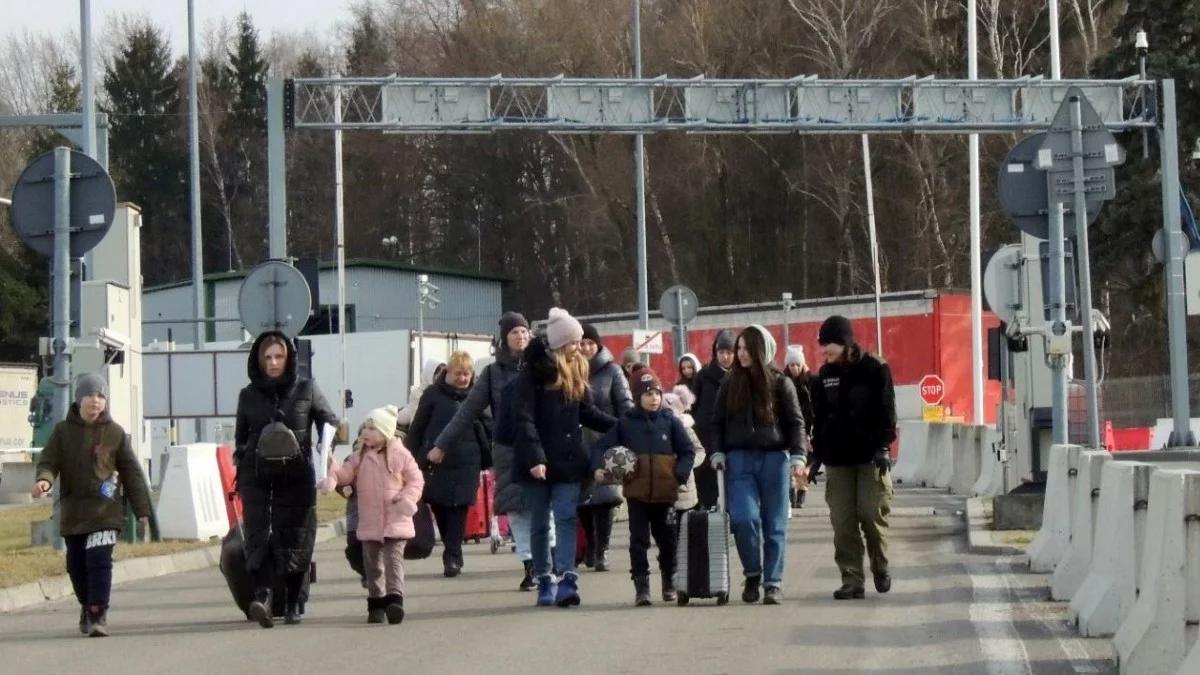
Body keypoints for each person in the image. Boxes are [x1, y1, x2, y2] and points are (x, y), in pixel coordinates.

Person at [31, 373, 152, 637]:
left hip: (106, 511)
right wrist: (44, 481)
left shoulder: (115, 433)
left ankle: (98, 614)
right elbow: (48, 463)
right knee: (76, 566)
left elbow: (131, 473)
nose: (95, 401)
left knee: (99, 561)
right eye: (89, 395)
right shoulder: (62, 432)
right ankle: (86, 605)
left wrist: (142, 510)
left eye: (100, 396)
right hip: (74, 512)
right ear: (78, 400)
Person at [233, 330, 339, 628]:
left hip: (297, 476)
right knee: (259, 535)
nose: (273, 362)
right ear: (258, 360)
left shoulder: (307, 388)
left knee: (296, 538)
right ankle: (263, 597)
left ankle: (294, 601)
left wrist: (324, 448)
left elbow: (329, 419)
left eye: (279, 356)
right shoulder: (248, 395)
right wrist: (243, 467)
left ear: (289, 357)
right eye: (267, 357)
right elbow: (241, 437)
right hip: (258, 478)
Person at [513, 308, 616, 608]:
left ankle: (568, 578)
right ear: (560, 344)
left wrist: (621, 425)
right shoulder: (532, 372)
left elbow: (587, 413)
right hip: (537, 463)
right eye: (575, 342)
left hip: (569, 461)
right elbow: (524, 418)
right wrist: (535, 457)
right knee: (540, 524)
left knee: (567, 517)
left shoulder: (577, 369)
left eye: (582, 342)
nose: (580, 347)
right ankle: (545, 579)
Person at [429, 312, 539, 590]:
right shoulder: (492, 374)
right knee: (516, 511)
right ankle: (531, 566)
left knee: (542, 508)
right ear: (504, 338)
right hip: (508, 449)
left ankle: (547, 561)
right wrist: (441, 444)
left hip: (542, 446)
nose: (520, 336)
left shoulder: (543, 366)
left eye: (524, 332)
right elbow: (466, 412)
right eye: (514, 332)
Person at [710, 325, 807, 605]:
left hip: (775, 459)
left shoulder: (780, 382)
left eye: (746, 348)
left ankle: (773, 582)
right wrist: (717, 452)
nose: (740, 354)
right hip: (738, 460)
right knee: (744, 519)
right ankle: (753, 572)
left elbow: (795, 421)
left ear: (761, 350)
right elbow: (716, 423)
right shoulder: (729, 383)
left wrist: (798, 455)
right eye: (738, 348)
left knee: (775, 524)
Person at [811, 316, 897, 600]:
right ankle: (851, 579)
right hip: (838, 459)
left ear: (845, 342)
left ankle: (880, 566)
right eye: (823, 348)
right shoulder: (824, 376)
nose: (825, 353)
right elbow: (820, 418)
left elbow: (887, 411)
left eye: (829, 346)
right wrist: (817, 456)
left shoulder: (875, 369)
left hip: (870, 456)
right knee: (843, 521)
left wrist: (884, 446)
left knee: (871, 514)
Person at [591, 370, 695, 606]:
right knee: (638, 542)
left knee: (667, 540)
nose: (654, 398)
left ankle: (669, 582)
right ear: (638, 397)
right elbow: (600, 447)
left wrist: (679, 475)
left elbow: (688, 451)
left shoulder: (670, 422)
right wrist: (597, 467)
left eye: (657, 393)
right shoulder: (626, 424)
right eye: (647, 394)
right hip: (637, 496)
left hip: (665, 496)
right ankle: (642, 587)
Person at [324, 406, 424, 624]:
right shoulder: (359, 457)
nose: (365, 433)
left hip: (396, 518)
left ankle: (395, 601)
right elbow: (344, 474)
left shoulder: (401, 454)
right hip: (369, 521)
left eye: (372, 428)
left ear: (386, 432)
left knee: (393, 560)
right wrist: (332, 470)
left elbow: (416, 480)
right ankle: (376, 604)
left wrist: (408, 498)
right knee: (372, 565)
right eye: (364, 429)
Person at [408, 351, 488, 578]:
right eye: (458, 373)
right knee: (441, 508)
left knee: (458, 510)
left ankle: (453, 556)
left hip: (466, 462)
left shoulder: (476, 396)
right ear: (447, 373)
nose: (463, 378)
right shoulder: (433, 394)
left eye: (467, 373)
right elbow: (417, 428)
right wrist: (411, 460)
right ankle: (451, 549)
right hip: (435, 462)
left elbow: (488, 424)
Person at [577, 323, 634, 571]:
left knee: (605, 498)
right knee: (582, 501)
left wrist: (626, 432)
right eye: (583, 343)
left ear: (598, 345)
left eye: (591, 343)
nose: (587, 347)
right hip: (577, 444)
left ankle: (602, 550)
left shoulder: (612, 372)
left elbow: (625, 405)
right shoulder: (571, 370)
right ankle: (590, 542)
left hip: (605, 441)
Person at [691, 329, 737, 509]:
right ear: (715, 352)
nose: (725, 357)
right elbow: (694, 406)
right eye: (721, 352)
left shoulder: (739, 376)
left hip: (731, 435)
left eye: (729, 353)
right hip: (706, 435)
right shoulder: (704, 375)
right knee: (707, 481)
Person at [663, 385, 706, 516]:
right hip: (662, 487)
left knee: (685, 527)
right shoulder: (655, 429)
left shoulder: (686, 429)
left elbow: (699, 450)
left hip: (685, 486)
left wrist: (688, 464)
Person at [784, 345, 818, 509]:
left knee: (804, 465)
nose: (795, 368)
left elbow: (814, 407)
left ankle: (801, 494)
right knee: (791, 464)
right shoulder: (784, 381)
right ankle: (791, 496)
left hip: (807, 428)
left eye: (797, 364)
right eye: (791, 365)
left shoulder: (810, 382)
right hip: (790, 427)